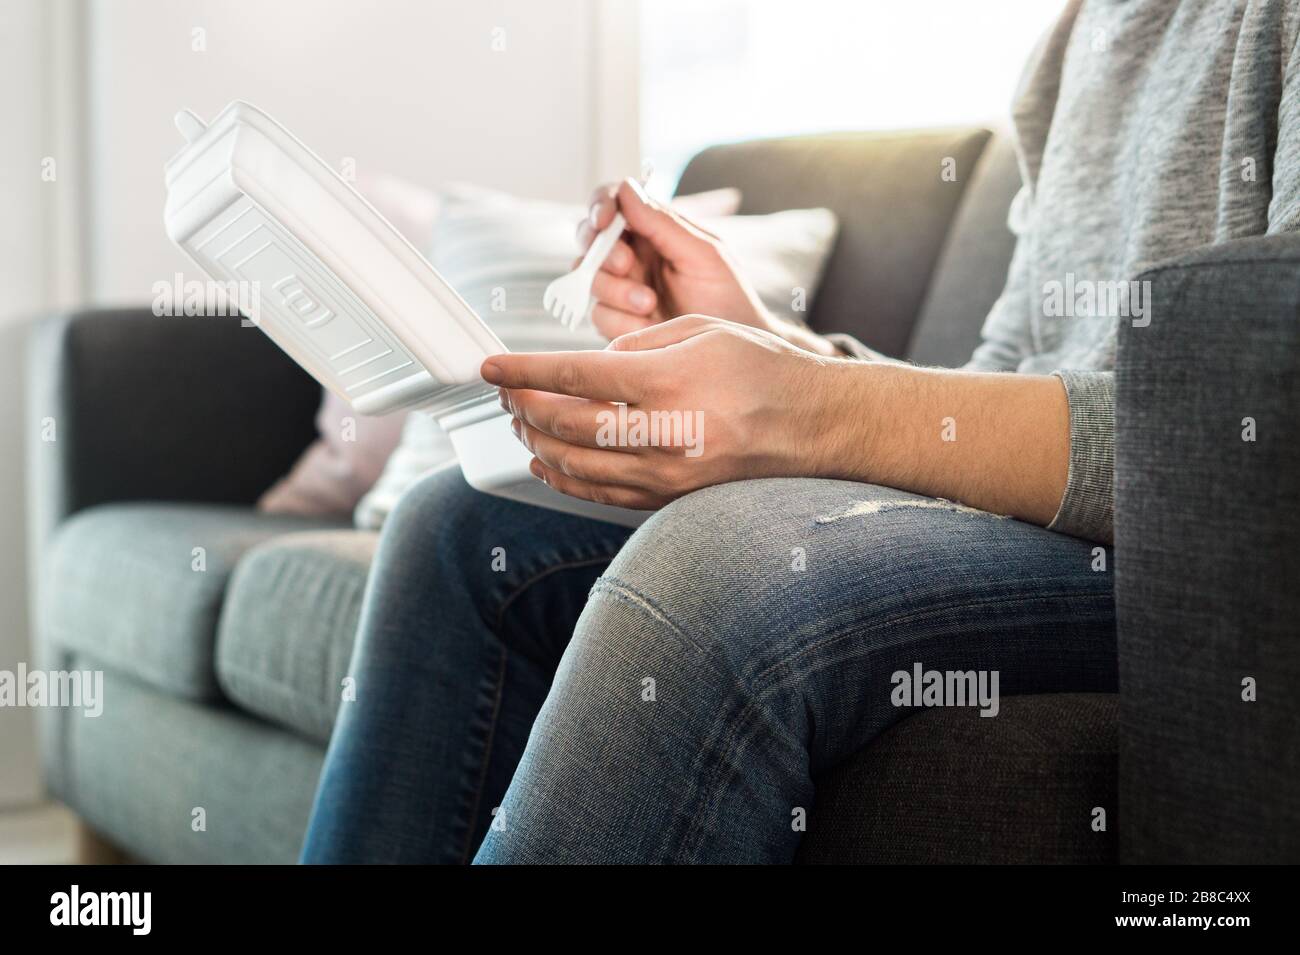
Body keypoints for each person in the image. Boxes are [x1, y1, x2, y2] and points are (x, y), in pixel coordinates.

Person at [301, 0, 1300, 863]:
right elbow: (1004, 384)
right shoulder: (1081, 32)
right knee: (461, 518)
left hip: (1193, 571)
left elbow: (1253, 433)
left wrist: (808, 409)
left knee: (731, 565)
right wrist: (770, 343)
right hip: (1042, 516)